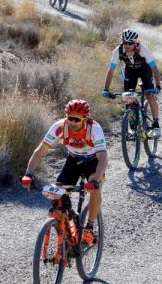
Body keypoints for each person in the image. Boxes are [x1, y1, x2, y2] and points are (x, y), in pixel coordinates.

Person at [21, 99, 107, 247]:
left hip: (93, 162)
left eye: (76, 119)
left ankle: (90, 229)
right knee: (58, 196)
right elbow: (41, 151)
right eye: (69, 118)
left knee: (95, 188)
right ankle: (68, 229)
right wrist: (28, 173)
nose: (72, 122)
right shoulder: (59, 127)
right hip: (73, 160)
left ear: (85, 119)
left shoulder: (94, 129)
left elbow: (103, 158)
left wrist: (95, 181)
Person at [102, 28, 162, 137]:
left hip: (145, 71)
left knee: (150, 96)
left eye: (130, 43)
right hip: (130, 72)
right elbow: (111, 71)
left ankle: (156, 123)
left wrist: (158, 86)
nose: (127, 45)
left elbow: (154, 69)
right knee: (128, 97)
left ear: (135, 42)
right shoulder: (118, 50)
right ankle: (132, 121)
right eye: (125, 42)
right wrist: (106, 88)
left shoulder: (143, 49)